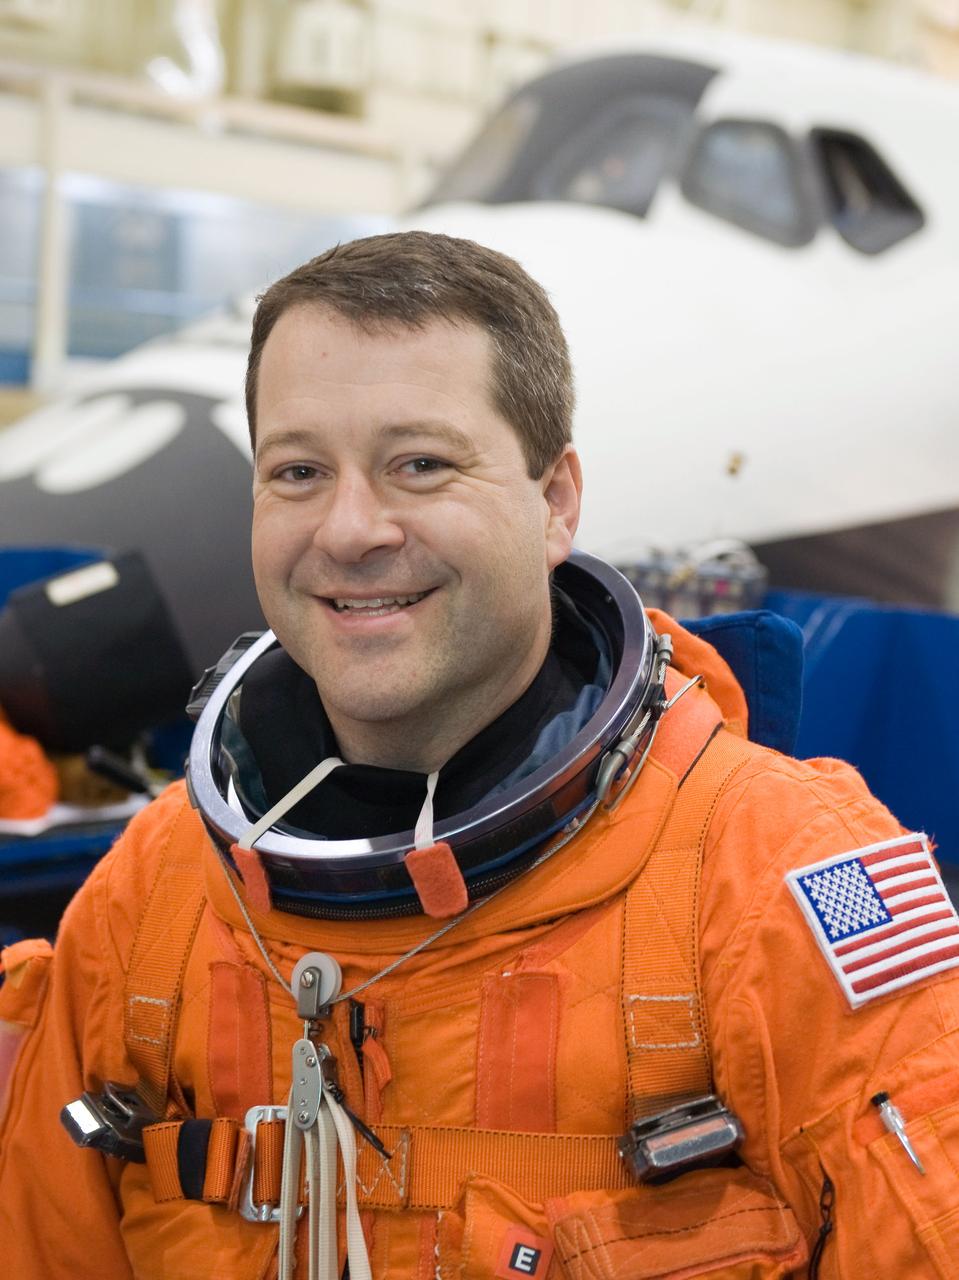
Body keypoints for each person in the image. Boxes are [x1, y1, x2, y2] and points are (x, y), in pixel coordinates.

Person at [1, 230, 958, 1280]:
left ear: (554, 503)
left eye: (420, 464)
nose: (350, 529)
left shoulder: (770, 880)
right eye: (298, 471)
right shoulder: (152, 900)